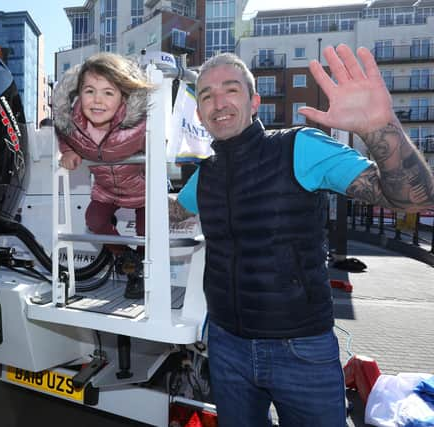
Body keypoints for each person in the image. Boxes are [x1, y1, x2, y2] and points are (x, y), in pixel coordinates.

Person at [170, 45, 434, 426]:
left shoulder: (300, 147)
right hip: (227, 345)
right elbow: (170, 212)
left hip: (301, 350)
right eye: (207, 95)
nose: (218, 102)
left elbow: (413, 198)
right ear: (199, 113)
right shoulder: (205, 175)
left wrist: (380, 129)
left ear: (254, 101)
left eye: (231, 89)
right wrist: (113, 181)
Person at [52, 52, 153, 299]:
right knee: (94, 220)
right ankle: (125, 257)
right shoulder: (71, 124)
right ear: (79, 93)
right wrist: (68, 152)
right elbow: (64, 135)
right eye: (90, 91)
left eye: (108, 92)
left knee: (146, 228)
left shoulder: (137, 125)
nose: (97, 100)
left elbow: (158, 142)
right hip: (106, 189)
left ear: (123, 97)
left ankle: (140, 269)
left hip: (140, 188)